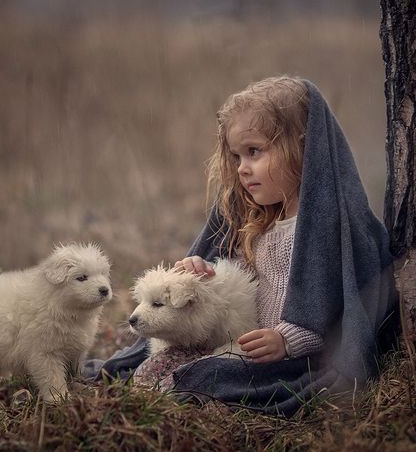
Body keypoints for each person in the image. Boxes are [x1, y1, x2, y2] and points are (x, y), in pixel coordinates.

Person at [88, 76, 398, 416]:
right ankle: (158, 393)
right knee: (161, 365)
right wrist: (204, 273)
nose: (242, 169)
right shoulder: (256, 221)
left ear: (304, 148)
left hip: (289, 360)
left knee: (208, 375)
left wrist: (286, 341)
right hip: (238, 343)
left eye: (254, 152)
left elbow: (335, 310)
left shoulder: (326, 229)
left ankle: (195, 400)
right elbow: (233, 281)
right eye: (236, 157)